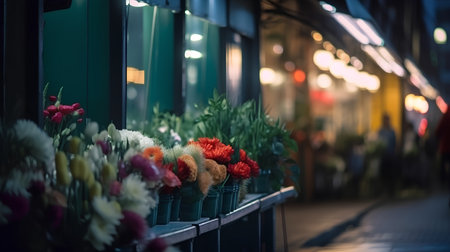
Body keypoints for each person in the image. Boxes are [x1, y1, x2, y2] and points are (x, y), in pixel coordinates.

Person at [378, 114, 397, 196]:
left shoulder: (392, 131)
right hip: (383, 156)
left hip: (391, 155)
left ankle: (391, 191)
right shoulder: (380, 131)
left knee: (391, 173)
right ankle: (384, 191)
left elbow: (395, 143)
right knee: (384, 174)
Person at [435, 107, 450, 205]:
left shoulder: (446, 116)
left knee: (446, 170)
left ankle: (445, 183)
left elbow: (438, 132)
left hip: (446, 149)